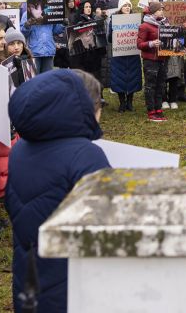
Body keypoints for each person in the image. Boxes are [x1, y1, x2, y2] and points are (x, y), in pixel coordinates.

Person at [6, 69, 110, 313]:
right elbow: (108, 222)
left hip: (29, 276)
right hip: (72, 285)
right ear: (87, 107)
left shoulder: (22, 147)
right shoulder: (86, 154)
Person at [137, 2, 186, 121]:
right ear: (153, 11)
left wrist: (181, 46)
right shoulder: (145, 26)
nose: (162, 11)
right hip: (150, 60)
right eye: (160, 9)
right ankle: (151, 111)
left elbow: (173, 40)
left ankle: (158, 109)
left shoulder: (165, 24)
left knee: (160, 85)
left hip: (163, 59)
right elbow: (139, 44)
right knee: (151, 85)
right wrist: (151, 43)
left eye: (162, 9)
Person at [108, 0, 143, 112]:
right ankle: (122, 103)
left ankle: (130, 102)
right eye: (125, 5)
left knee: (133, 77)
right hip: (119, 54)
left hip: (132, 53)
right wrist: (115, 32)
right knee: (119, 78)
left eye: (129, 5)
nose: (127, 7)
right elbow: (109, 39)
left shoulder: (136, 20)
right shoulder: (114, 20)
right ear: (120, 8)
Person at [21, 0, 65, 73]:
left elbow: (56, 31)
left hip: (48, 51)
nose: (42, 0)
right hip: (34, 52)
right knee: (35, 79)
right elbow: (23, 34)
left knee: (47, 80)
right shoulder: (27, 14)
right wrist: (27, 26)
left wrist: (63, 24)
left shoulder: (50, 12)